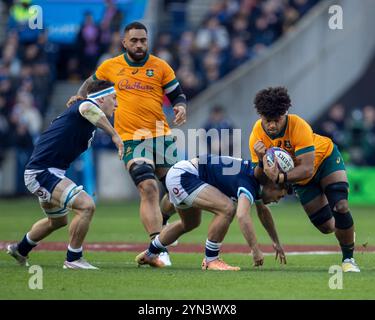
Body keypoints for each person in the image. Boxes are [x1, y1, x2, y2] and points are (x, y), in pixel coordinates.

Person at [68, 21, 187, 266]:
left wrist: (180, 106)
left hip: (161, 136)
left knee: (181, 192)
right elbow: (90, 83)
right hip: (131, 139)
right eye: (134, 40)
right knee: (148, 186)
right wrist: (80, 97)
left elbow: (177, 93)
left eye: (143, 40)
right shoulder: (111, 66)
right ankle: (157, 246)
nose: (139, 44)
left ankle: (163, 217)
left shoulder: (160, 66)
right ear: (124, 42)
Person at [6, 80, 124, 269]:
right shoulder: (87, 106)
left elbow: (86, 102)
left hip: (48, 171)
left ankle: (20, 249)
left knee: (58, 221)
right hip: (42, 171)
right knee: (86, 206)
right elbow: (86, 106)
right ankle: (74, 259)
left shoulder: (86, 112)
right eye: (114, 98)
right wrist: (114, 135)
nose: (117, 104)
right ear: (101, 99)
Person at [249, 86, 360, 272]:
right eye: (268, 121)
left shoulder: (298, 125)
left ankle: (348, 260)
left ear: (285, 113)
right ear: (260, 116)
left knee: (340, 206)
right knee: (326, 227)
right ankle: (347, 231)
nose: (272, 126)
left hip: (325, 159)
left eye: (277, 120)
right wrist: (260, 160)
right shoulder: (256, 134)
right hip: (300, 179)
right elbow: (259, 177)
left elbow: (307, 169)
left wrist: (281, 177)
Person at [136, 154, 287, 270]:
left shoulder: (256, 181)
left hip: (183, 174)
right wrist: (255, 250)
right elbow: (242, 215)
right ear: (272, 186)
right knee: (227, 208)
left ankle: (150, 253)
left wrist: (276, 242)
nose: (277, 200)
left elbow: (263, 212)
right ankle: (211, 260)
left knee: (189, 224)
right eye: (279, 196)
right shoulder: (249, 184)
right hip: (185, 176)